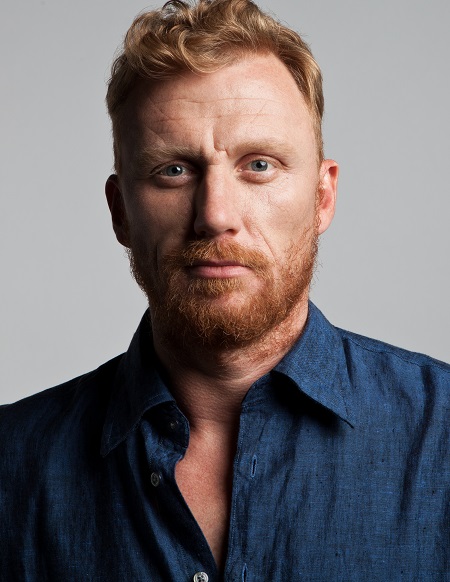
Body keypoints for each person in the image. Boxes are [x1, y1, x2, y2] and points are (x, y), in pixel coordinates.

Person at [1, 0, 449, 579]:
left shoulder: (440, 435)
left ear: (322, 198)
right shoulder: (12, 464)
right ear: (120, 212)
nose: (215, 216)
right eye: (173, 170)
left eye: (259, 165)